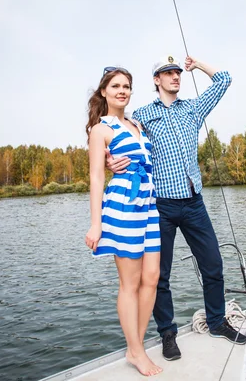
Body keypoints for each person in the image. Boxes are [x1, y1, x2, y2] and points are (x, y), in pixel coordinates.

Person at [106, 55, 246, 362]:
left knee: (213, 265)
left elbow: (223, 79)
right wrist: (109, 159)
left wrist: (197, 65)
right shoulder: (142, 115)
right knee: (159, 276)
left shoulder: (193, 109)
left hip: (194, 202)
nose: (175, 76)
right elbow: (114, 133)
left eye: (176, 72)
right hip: (161, 206)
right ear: (156, 80)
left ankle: (216, 321)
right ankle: (167, 334)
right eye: (167, 73)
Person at [85, 67, 162, 376]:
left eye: (126, 86)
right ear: (104, 91)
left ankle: (136, 345)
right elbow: (95, 177)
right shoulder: (100, 129)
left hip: (149, 206)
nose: (122, 90)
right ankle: (136, 350)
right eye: (115, 85)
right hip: (122, 206)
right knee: (129, 283)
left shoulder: (137, 124)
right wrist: (96, 223)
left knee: (152, 277)